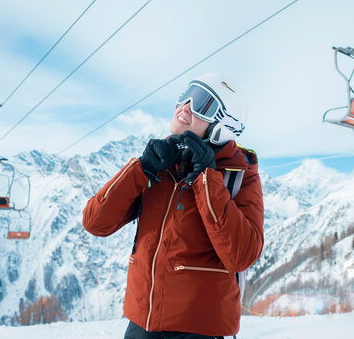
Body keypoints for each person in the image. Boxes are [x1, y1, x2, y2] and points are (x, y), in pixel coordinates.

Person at [83, 73, 264, 338]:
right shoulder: (159, 163)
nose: (185, 107)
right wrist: (140, 169)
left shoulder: (238, 174)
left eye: (202, 104)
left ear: (222, 125)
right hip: (141, 324)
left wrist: (206, 176)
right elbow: (95, 223)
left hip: (200, 330)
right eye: (186, 95)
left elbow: (241, 255)